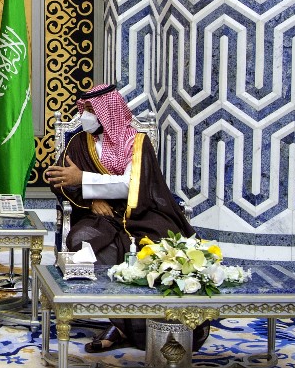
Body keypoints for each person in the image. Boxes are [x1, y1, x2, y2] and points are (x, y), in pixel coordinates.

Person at [44, 83, 205, 353]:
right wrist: (90, 199)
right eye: (83, 109)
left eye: (91, 109)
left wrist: (83, 180)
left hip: (141, 212)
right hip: (99, 216)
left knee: (162, 246)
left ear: (108, 111)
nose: (85, 115)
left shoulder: (136, 142)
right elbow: (59, 180)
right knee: (83, 240)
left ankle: (149, 321)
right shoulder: (78, 142)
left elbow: (131, 185)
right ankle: (118, 321)